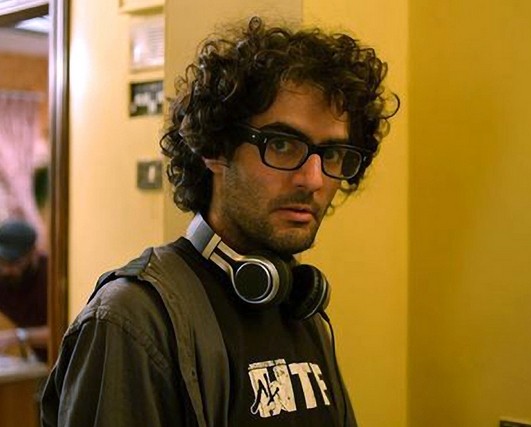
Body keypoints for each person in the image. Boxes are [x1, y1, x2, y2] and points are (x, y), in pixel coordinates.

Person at [41, 16, 398, 427]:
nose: (313, 179)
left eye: (331, 154)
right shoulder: (134, 320)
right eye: (282, 145)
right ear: (215, 148)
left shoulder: (302, 308)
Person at [0, 219, 49, 362]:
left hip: (67, 360)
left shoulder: (50, 276)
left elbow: (64, 330)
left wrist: (18, 336)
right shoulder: (4, 277)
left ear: (34, 253)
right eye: (2, 262)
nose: (7, 270)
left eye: (15, 262)